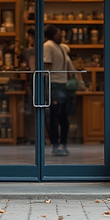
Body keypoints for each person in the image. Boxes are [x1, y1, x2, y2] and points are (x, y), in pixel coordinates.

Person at [42, 24, 76, 156]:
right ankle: (62, 144)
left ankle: (56, 144)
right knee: (62, 117)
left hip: (55, 83)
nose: (61, 35)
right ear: (52, 34)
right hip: (59, 83)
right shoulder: (54, 46)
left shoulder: (52, 46)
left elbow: (47, 66)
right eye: (58, 33)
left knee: (55, 116)